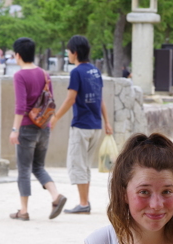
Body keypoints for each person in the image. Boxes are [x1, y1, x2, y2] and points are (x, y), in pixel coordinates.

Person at [51, 35, 113, 215]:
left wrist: (55, 118)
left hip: (81, 125)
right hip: (96, 125)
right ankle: (85, 202)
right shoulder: (95, 71)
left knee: (78, 165)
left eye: (68, 51)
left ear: (75, 52)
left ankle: (83, 203)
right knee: (85, 165)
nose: (68, 54)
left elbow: (70, 99)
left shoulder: (76, 72)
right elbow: (100, 99)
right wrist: (107, 122)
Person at [8, 37, 66, 221]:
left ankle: (23, 211)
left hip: (26, 128)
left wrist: (14, 129)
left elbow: (21, 106)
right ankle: (56, 196)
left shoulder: (19, 76)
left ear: (18, 55)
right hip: (44, 127)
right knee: (38, 166)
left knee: (24, 169)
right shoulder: (44, 74)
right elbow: (51, 100)